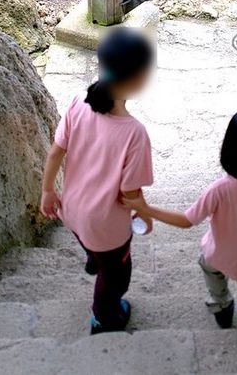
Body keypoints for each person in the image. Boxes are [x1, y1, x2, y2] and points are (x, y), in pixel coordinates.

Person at [124, 106, 237, 336]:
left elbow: (187, 220)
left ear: (230, 148)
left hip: (219, 255)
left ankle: (223, 309)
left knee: (211, 271)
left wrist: (145, 208)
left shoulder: (220, 190)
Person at [39, 28, 156, 335]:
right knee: (117, 277)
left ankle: (93, 257)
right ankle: (103, 317)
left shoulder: (78, 102)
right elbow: (130, 193)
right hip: (106, 227)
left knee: (92, 247)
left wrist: (48, 190)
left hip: (72, 211)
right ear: (137, 80)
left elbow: (55, 153)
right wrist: (144, 212)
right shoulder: (134, 134)